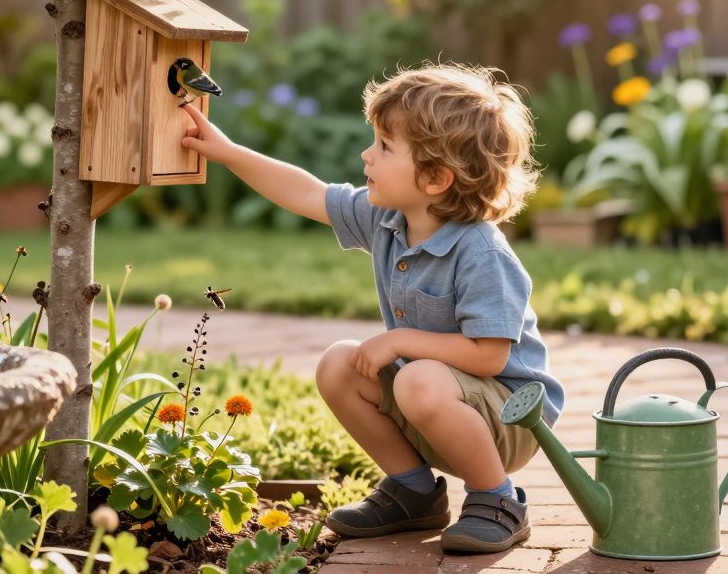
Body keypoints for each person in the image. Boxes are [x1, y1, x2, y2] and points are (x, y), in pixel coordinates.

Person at [179, 63, 564, 554]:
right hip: (436, 397)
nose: (367, 155)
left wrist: (400, 341)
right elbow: (307, 193)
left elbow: (489, 356)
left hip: (509, 419)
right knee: (340, 363)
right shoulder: (387, 219)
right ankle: (414, 493)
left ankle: (498, 499)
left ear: (436, 178)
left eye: (384, 146)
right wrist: (227, 152)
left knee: (414, 377)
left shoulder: (481, 253)